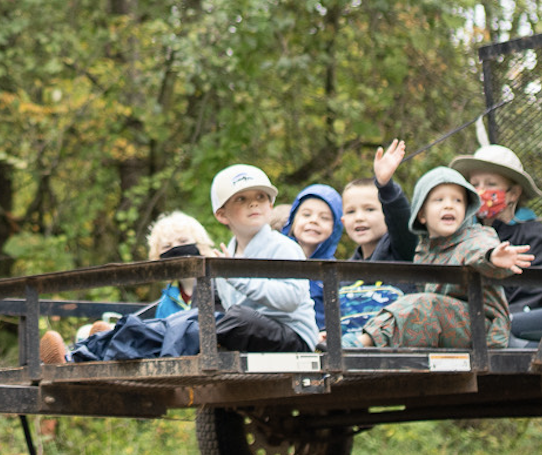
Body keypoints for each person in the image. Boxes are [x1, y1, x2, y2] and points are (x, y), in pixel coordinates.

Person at [39, 165, 317, 364]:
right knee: (186, 319)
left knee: (231, 319)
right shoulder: (226, 255)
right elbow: (201, 312)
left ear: (270, 205)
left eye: (260, 197)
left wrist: (237, 277)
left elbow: (291, 300)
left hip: (291, 335)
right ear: (222, 214)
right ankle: (89, 350)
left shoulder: (283, 247)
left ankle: (124, 347)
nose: (253, 205)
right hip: (247, 330)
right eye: (241, 199)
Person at [351, 167, 534, 348]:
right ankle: (352, 340)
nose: (449, 205)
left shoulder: (474, 236)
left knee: (422, 304)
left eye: (458, 200)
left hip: (483, 329)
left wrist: (492, 256)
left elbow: (477, 250)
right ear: (421, 214)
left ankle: (360, 345)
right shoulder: (424, 251)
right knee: (412, 306)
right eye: (439, 200)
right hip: (445, 327)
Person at [452, 145, 542, 312]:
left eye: (491, 184)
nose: (481, 191)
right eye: (475, 184)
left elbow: (533, 299)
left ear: (513, 193)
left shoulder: (536, 237)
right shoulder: (464, 234)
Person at [337, 139, 417, 338]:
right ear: (343, 220)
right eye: (351, 211)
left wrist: (385, 186)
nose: (360, 217)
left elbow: (401, 219)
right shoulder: (344, 274)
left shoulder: (401, 251)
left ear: (386, 214)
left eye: (370, 209)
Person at [279, 183, 344, 322]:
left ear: (335, 227)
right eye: (306, 214)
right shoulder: (273, 258)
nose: (313, 220)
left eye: (324, 218)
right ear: (293, 220)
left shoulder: (335, 271)